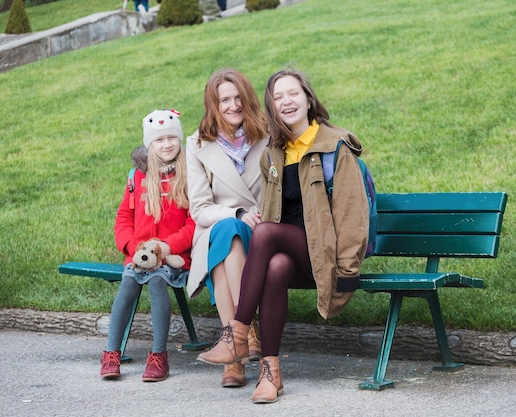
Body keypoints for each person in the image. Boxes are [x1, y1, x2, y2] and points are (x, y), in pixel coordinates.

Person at [197, 68, 370, 403]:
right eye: (277, 98)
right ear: (271, 108)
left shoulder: (335, 146)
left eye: (293, 93)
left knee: (264, 234)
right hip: (291, 252)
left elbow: (353, 215)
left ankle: (237, 333)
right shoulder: (274, 153)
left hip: (326, 254)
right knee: (274, 265)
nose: (286, 102)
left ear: (308, 98)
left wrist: (348, 272)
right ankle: (270, 374)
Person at [186, 68, 269, 387]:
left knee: (228, 241)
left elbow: (280, 190)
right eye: (224, 100)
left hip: (261, 227)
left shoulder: (268, 136)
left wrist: (258, 213)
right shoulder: (197, 144)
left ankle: (234, 348)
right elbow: (200, 209)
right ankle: (244, 334)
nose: (233, 105)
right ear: (213, 105)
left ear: (247, 99)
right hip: (218, 226)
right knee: (226, 234)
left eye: (238, 98)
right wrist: (235, 212)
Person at [100, 109, 195, 382]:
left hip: (173, 257)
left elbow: (193, 224)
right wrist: (132, 248)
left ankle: (158, 357)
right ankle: (111, 352)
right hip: (139, 255)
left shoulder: (189, 174)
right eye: (159, 140)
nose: (167, 144)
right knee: (129, 282)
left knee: (156, 282)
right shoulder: (137, 177)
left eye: (171, 137)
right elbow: (123, 218)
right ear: (149, 144)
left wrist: (167, 248)